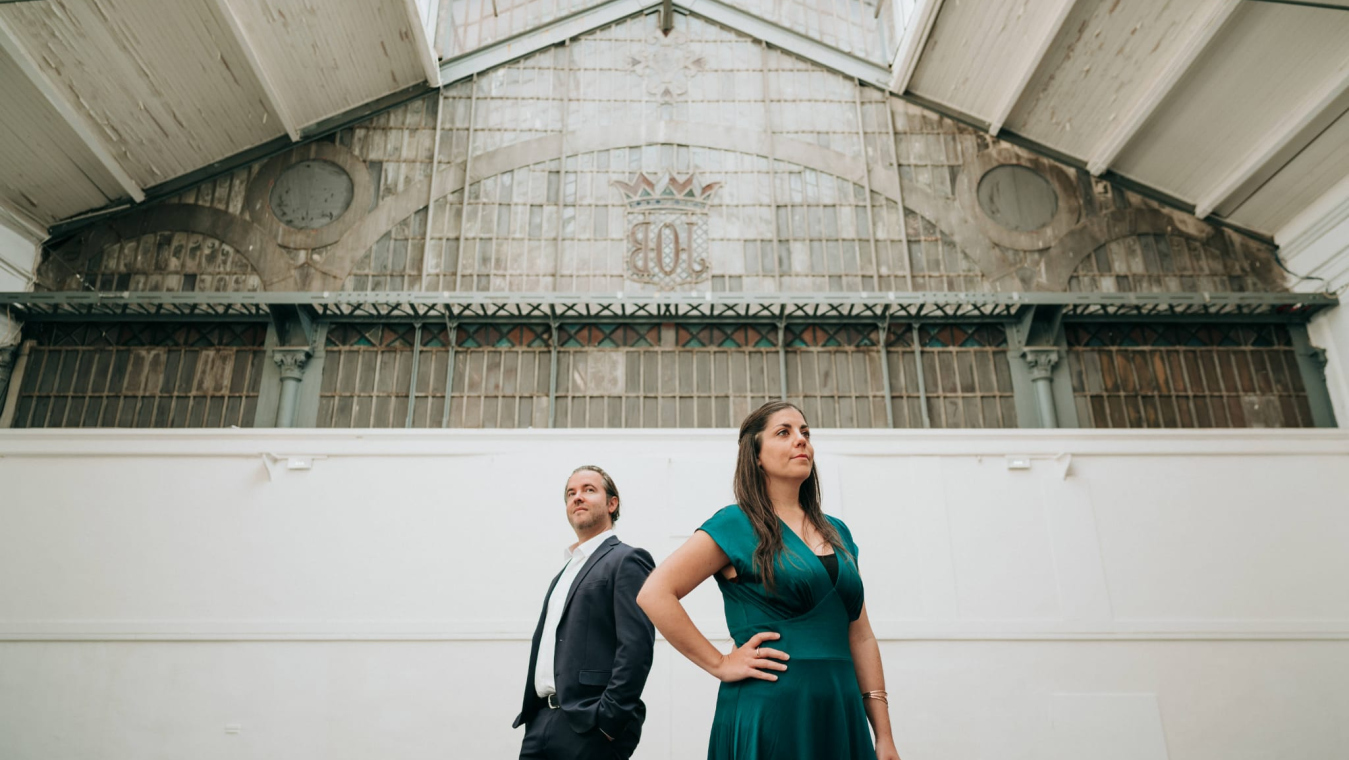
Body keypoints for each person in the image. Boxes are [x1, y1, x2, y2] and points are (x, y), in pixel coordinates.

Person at [636, 401, 902, 760]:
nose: (801, 440)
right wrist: (720, 663)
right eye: (784, 432)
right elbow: (654, 593)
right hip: (769, 710)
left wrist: (883, 735)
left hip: (841, 711)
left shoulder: (838, 532)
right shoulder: (734, 524)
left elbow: (861, 635)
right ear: (756, 455)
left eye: (805, 433)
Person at [514, 465, 656, 760]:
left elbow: (636, 647)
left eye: (589, 490)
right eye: (571, 493)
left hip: (590, 726)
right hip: (540, 722)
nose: (577, 497)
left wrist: (609, 721)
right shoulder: (565, 571)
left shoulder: (627, 560)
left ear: (612, 504)